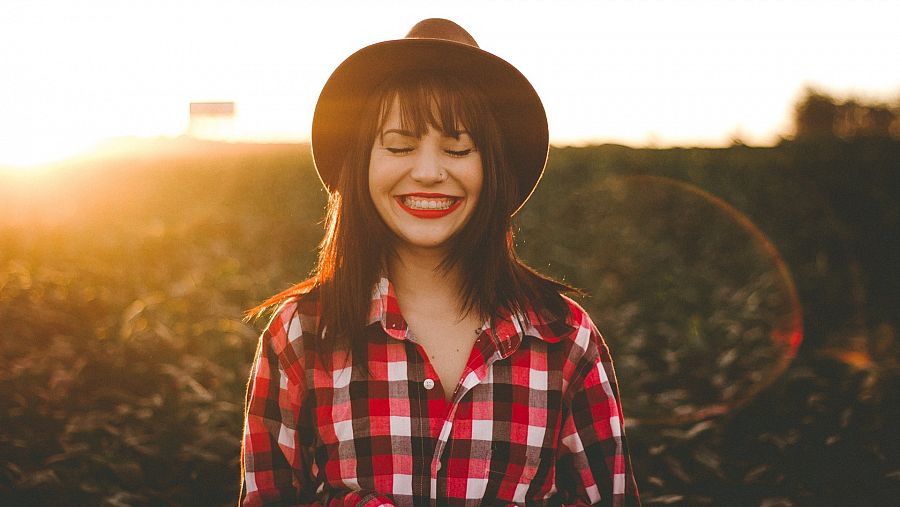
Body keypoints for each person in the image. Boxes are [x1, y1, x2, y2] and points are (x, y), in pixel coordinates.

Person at [240, 18, 640, 506]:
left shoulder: (564, 339)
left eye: (457, 148)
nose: (429, 173)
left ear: (492, 167)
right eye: (400, 146)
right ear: (361, 161)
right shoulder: (301, 336)